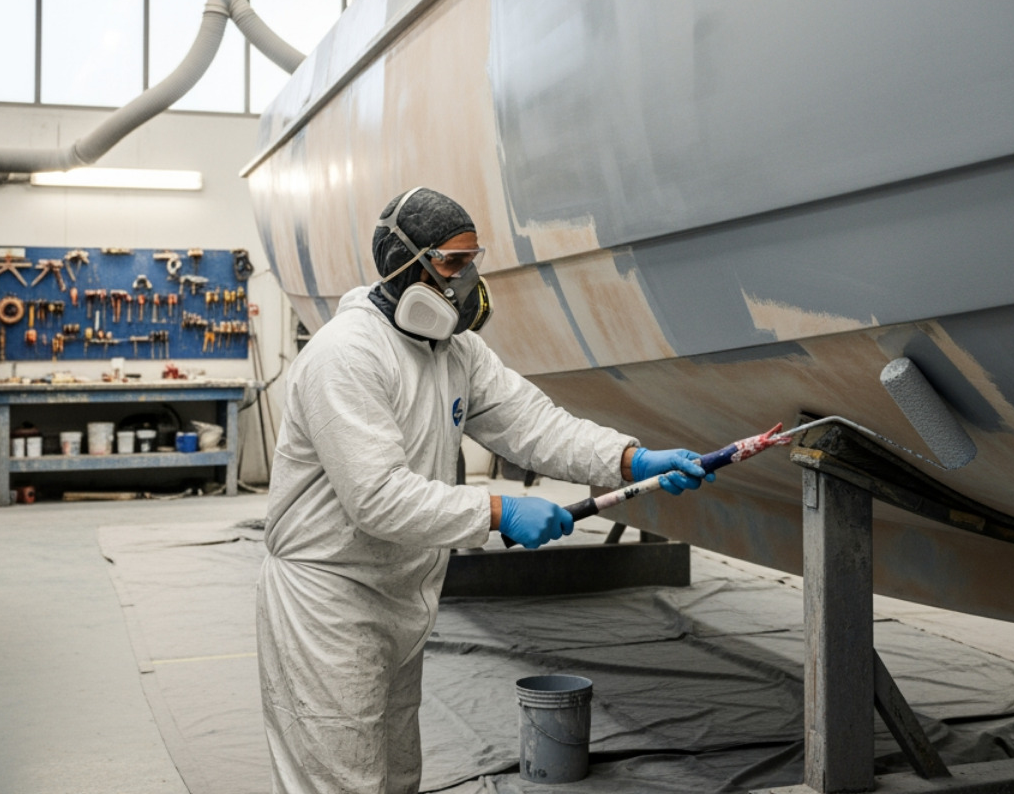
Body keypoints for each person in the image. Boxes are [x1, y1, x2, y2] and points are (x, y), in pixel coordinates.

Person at [256, 186, 711, 794]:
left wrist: (630, 459)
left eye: (472, 261)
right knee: (340, 778)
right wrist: (499, 509)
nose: (467, 279)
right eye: (451, 263)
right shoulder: (347, 354)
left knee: (396, 773)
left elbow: (535, 426)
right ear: (403, 264)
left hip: (399, 589)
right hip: (329, 598)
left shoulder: (456, 350)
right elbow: (377, 498)